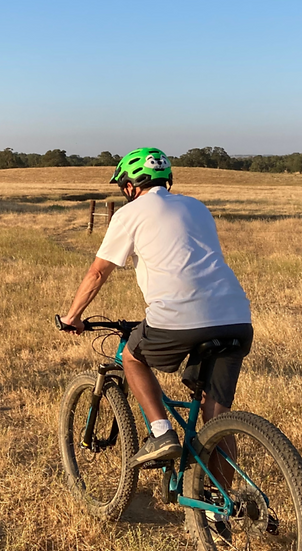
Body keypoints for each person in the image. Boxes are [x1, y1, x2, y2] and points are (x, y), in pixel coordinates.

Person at [59, 147, 253, 472]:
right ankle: (220, 508)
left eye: (123, 187)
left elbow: (97, 273)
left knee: (132, 358)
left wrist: (73, 316)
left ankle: (161, 433)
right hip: (235, 317)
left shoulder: (129, 213)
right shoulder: (198, 207)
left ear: (131, 186)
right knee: (216, 419)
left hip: (178, 317)